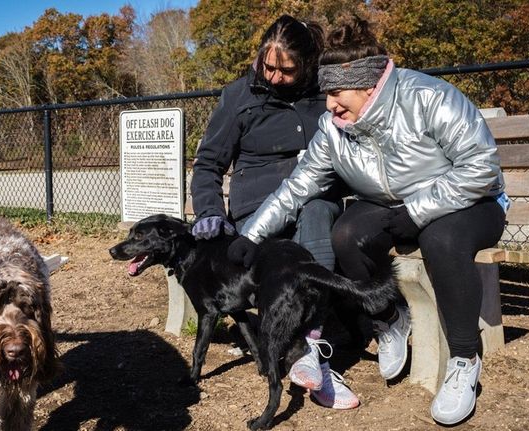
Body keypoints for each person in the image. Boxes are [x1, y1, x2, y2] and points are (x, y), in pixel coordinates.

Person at [227, 16, 509, 425]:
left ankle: (464, 359)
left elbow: (481, 167)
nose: (329, 104)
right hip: (391, 203)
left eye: (337, 93)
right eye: (326, 94)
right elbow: (297, 187)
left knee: (440, 240)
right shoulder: (334, 128)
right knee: (346, 234)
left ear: (369, 87)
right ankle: (390, 319)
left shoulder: (427, 97)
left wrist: (417, 211)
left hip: (470, 200)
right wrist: (251, 234)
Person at [190, 15, 358, 410]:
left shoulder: (325, 92)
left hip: (316, 199)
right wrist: (209, 212)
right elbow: (209, 164)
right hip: (258, 211)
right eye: (269, 67)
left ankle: (312, 345)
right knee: (278, 248)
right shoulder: (238, 96)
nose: (276, 76)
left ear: (308, 63)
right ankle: (302, 352)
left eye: (287, 70)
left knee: (316, 210)